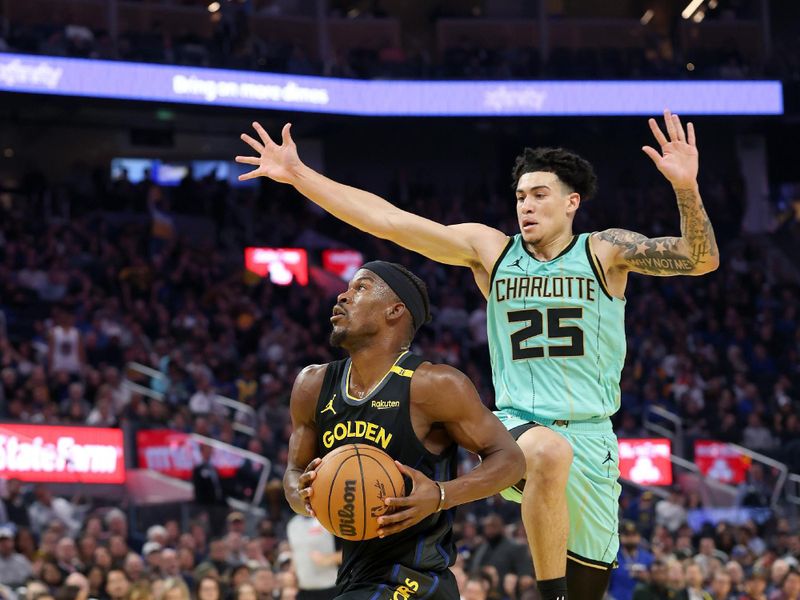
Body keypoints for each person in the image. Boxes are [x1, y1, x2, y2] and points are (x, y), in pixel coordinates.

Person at [238, 109, 719, 600]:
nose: (525, 206)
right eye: (520, 197)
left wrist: (686, 186)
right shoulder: (492, 251)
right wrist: (298, 174)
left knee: (590, 589)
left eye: (539, 195)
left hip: (595, 438)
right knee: (548, 450)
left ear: (572, 202)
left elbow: (700, 259)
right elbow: (388, 220)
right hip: (517, 427)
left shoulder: (605, 251)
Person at [283, 261, 525, 599]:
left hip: (417, 580)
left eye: (360, 288)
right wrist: (303, 494)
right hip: (355, 577)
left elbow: (511, 460)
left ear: (394, 310)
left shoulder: (435, 386)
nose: (342, 295)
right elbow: (294, 473)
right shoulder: (312, 385)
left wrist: (441, 495)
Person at [286, 514, 340, 600]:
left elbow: (352, 553)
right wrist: (292, 572)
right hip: (304, 590)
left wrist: (329, 559)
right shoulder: (292, 523)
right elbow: (296, 552)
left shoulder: (329, 518)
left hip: (332, 587)